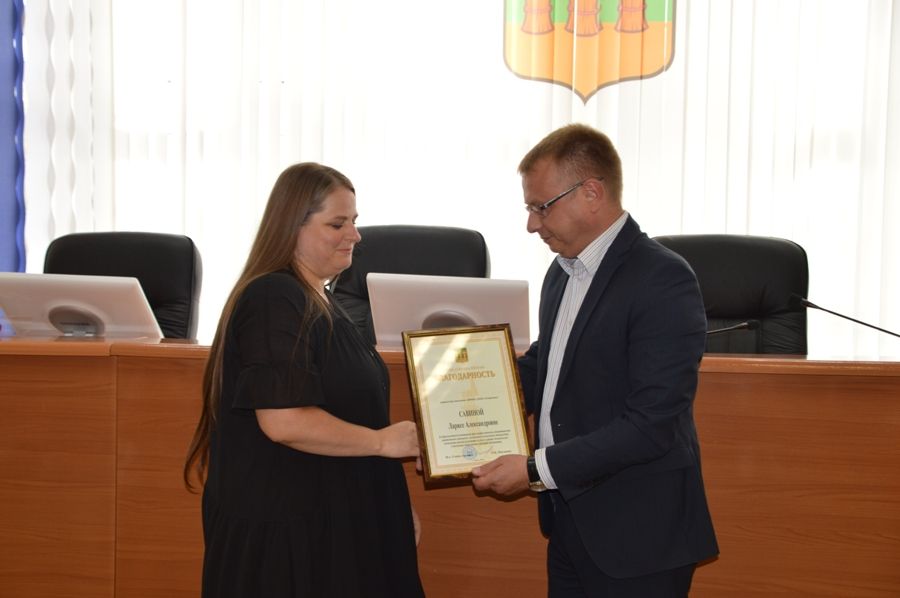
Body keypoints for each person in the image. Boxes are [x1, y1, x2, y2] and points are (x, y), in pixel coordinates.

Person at [472, 124, 718, 597]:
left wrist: (533, 470)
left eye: (541, 207)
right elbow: (548, 365)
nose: (531, 225)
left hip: (638, 535)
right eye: (529, 209)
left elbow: (651, 425)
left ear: (591, 193)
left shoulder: (663, 278)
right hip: (571, 522)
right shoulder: (563, 272)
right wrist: (462, 396)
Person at [183, 162, 425, 597]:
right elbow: (285, 420)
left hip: (334, 520)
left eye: (354, 221)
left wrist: (389, 501)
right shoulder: (274, 298)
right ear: (292, 226)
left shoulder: (322, 300)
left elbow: (352, 413)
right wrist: (383, 443)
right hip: (289, 538)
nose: (355, 235)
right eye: (337, 223)